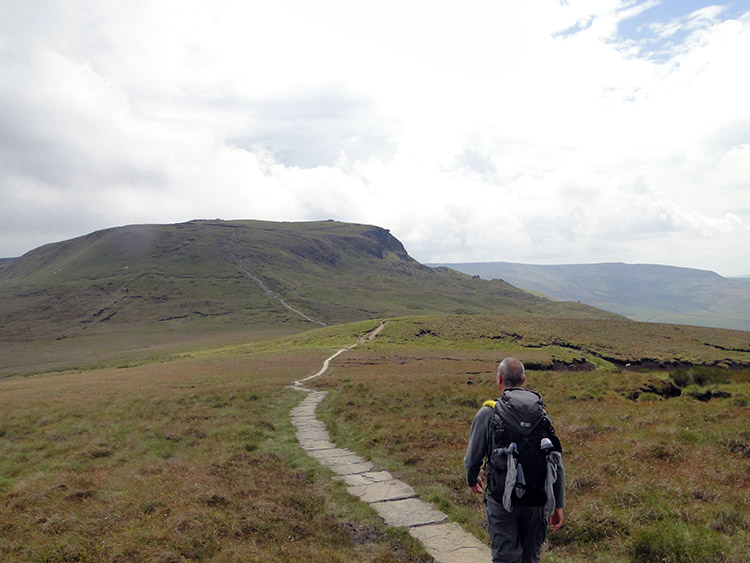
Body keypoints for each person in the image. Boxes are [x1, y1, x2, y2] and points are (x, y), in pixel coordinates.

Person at [465, 358, 565, 563]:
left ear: (499, 379)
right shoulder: (541, 414)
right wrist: (558, 503)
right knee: (531, 557)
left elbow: (472, 457)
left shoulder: (488, 412)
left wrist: (472, 479)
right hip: (538, 497)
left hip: (502, 498)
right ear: (523, 380)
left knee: (505, 557)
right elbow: (555, 461)